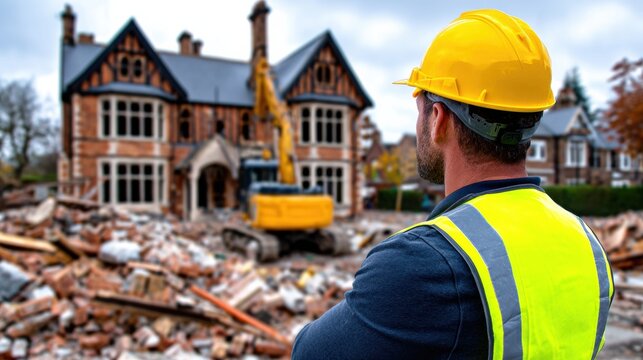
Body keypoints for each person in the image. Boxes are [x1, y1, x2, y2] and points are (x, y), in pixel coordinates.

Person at [292, 9, 613, 360]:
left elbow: (309, 353)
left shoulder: (419, 262)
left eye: (420, 107)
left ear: (437, 119)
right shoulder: (588, 246)